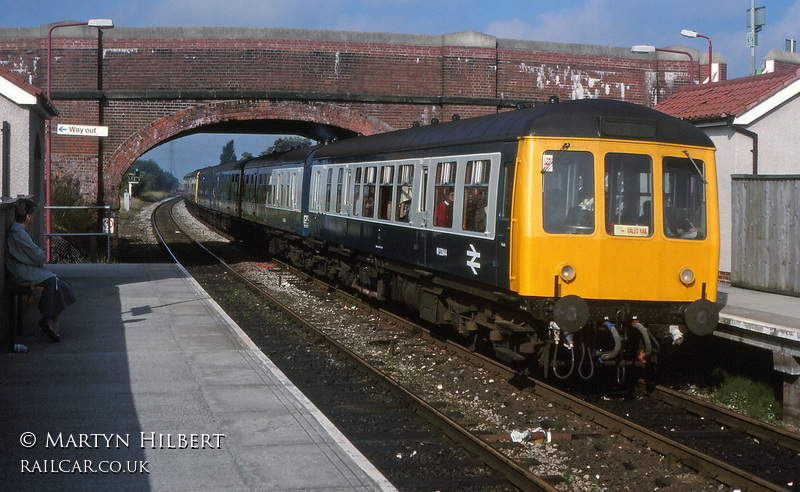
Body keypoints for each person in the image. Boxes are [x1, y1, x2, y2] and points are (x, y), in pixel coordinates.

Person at [6, 198, 77, 342]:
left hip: (24, 269)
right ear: (27, 216)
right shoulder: (18, 234)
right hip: (21, 272)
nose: (34, 217)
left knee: (60, 284)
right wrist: (40, 257)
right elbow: (37, 256)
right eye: (33, 214)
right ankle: (51, 322)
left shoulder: (19, 232)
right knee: (55, 283)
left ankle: (50, 321)